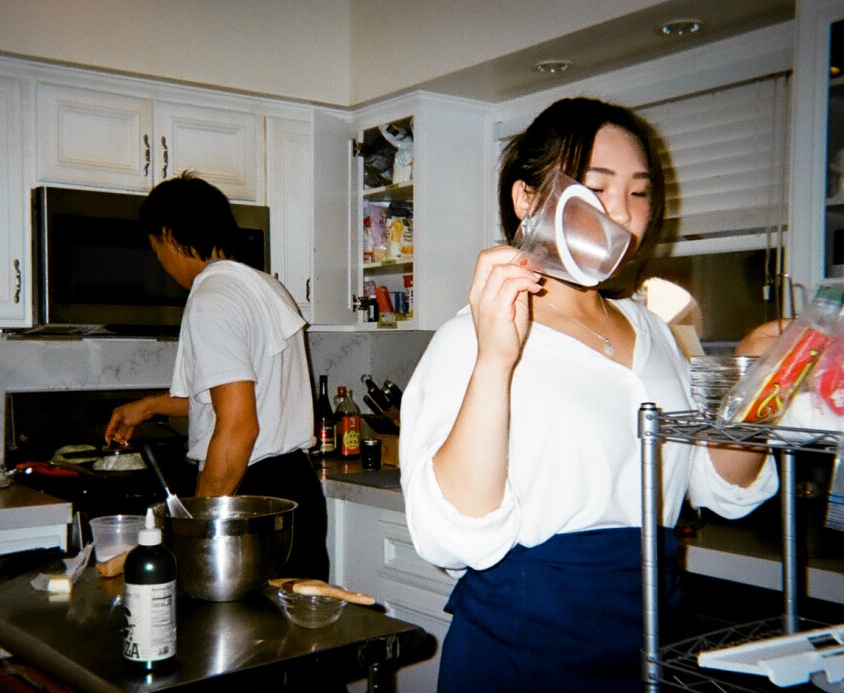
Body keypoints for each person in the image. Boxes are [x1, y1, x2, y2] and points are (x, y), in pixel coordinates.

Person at [398, 97, 780, 692]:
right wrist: (496, 359)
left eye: (639, 192)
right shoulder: (468, 339)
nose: (623, 213)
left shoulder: (658, 333)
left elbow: (717, 486)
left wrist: (762, 375)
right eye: (597, 188)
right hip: (526, 646)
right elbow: (450, 536)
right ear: (528, 200)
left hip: (657, 635)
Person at [105, 172, 329, 582]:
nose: (161, 263)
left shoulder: (211, 297)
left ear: (169, 236)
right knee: (292, 617)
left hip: (252, 499)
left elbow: (239, 425)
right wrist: (151, 406)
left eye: (156, 250)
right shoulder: (264, 287)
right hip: (294, 489)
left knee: (243, 623)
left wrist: (193, 524)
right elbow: (241, 395)